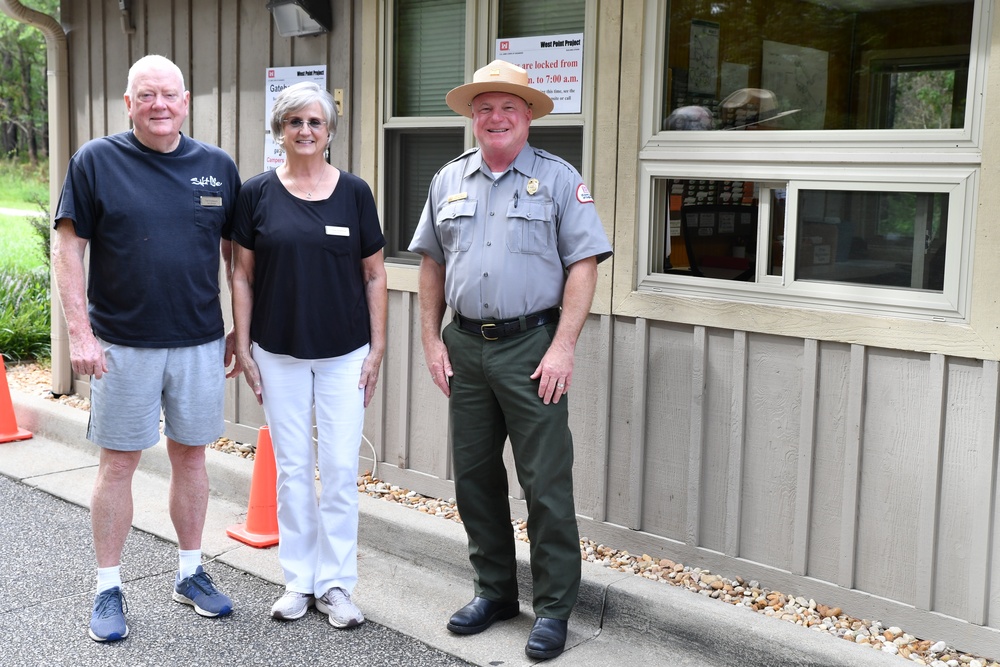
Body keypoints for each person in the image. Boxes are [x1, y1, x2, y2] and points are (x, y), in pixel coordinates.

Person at [408, 60, 613, 661]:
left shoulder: (557, 180)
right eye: (484, 109)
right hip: (466, 346)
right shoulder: (448, 180)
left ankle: (553, 608)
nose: (495, 118)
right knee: (474, 478)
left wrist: (563, 347)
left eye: (508, 108)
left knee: (544, 482)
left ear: (527, 117)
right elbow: (432, 266)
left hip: (532, 347)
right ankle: (494, 591)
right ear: (472, 118)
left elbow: (584, 265)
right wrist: (431, 340)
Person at [52, 54, 241, 642]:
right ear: (128, 102)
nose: (160, 105)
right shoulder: (96, 161)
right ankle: (108, 585)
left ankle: (190, 573)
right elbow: (67, 250)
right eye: (147, 95)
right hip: (124, 345)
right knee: (118, 464)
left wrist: (242, 329)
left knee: (192, 457)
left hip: (199, 342)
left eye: (170, 94)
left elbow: (238, 258)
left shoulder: (216, 166)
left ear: (186, 101)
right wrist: (81, 334)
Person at [230, 81, 387, 629]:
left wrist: (378, 346)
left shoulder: (355, 193)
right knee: (295, 471)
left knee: (340, 469)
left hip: (346, 351)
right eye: (294, 121)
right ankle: (299, 581)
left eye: (315, 122)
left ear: (329, 132)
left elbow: (374, 273)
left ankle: (337, 584)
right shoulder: (256, 194)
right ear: (280, 130)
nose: (305, 131)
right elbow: (242, 275)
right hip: (278, 350)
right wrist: (245, 345)